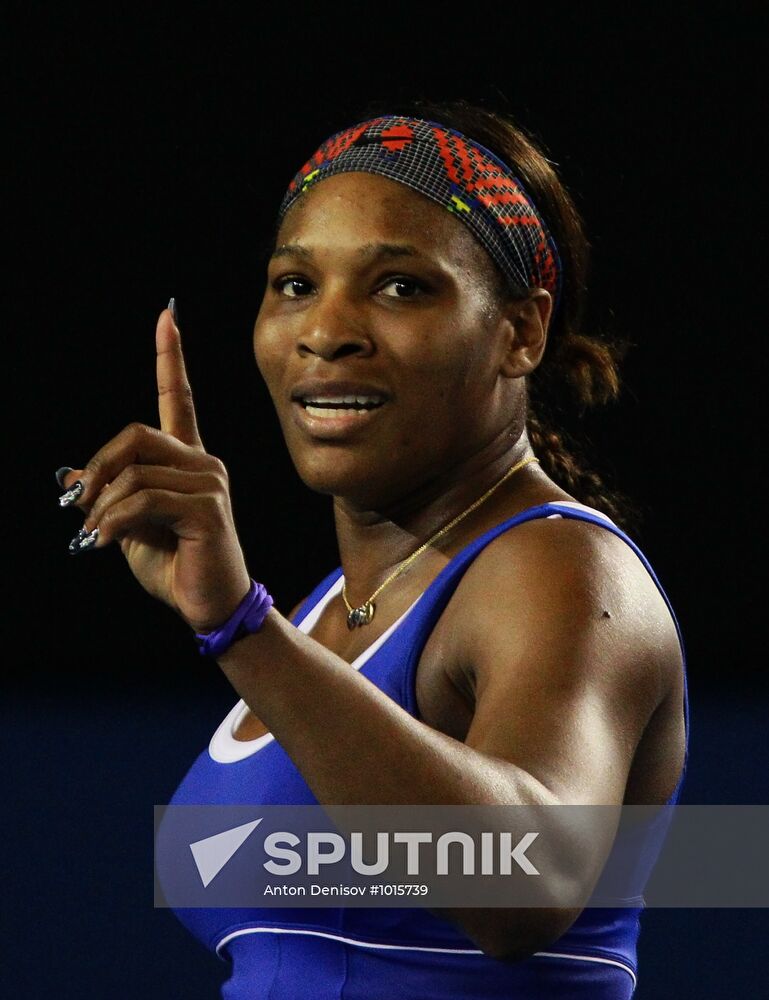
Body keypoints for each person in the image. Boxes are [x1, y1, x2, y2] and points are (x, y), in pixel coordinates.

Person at [59, 102, 688, 998]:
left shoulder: (563, 571)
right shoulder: (322, 611)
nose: (328, 330)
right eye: (294, 284)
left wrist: (241, 631)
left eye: (400, 286)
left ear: (521, 330)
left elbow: (521, 886)